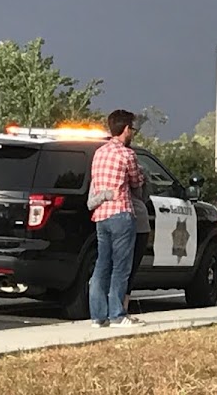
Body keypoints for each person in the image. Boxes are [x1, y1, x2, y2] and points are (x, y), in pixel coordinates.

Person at [87, 109, 145, 328]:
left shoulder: (99, 152)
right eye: (133, 129)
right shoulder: (127, 154)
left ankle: (97, 316)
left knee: (102, 265)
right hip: (121, 212)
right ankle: (117, 314)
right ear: (126, 129)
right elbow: (137, 181)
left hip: (101, 214)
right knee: (121, 267)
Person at [123, 173, 151, 315]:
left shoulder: (101, 162)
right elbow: (145, 197)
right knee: (130, 268)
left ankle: (108, 309)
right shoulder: (139, 172)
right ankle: (122, 308)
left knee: (114, 267)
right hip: (138, 221)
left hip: (110, 217)